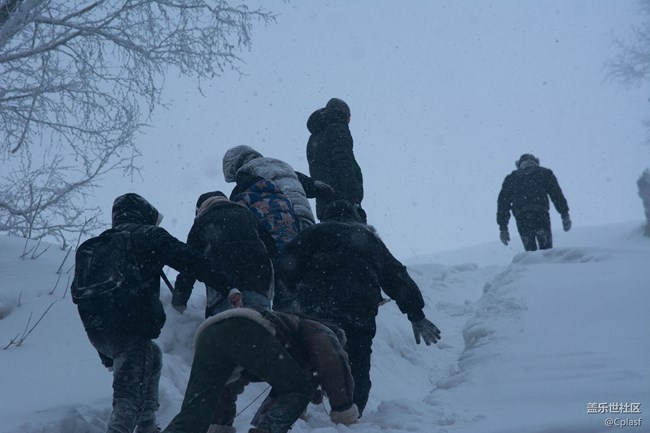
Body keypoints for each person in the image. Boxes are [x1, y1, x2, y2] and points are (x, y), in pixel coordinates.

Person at [71, 193, 234, 433]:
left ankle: (147, 427)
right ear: (144, 215)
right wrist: (226, 284)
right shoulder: (147, 236)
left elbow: (85, 298)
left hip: (98, 332)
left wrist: (105, 353)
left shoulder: (92, 247)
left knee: (152, 357)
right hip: (130, 325)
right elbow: (190, 260)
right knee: (128, 398)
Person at [276, 199, 441, 416]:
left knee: (305, 353)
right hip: (357, 309)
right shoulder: (368, 239)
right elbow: (396, 275)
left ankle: (294, 410)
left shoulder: (314, 232)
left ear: (327, 216)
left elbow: (285, 265)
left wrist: (300, 289)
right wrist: (416, 314)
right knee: (357, 361)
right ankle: (351, 416)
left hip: (313, 305)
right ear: (354, 217)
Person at [162, 307, 358, 433]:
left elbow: (229, 384)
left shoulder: (284, 347)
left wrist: (220, 422)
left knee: (195, 413)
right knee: (300, 389)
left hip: (209, 335)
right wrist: (343, 409)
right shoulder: (321, 330)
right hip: (247, 326)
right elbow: (333, 363)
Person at [172, 191, 274, 317]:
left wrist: (179, 300)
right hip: (258, 281)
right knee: (262, 325)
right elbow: (272, 247)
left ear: (200, 209)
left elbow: (190, 263)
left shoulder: (202, 221)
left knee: (228, 328)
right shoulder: (248, 215)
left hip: (223, 286)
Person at [222, 145, 334, 231]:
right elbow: (315, 186)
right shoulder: (284, 167)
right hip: (306, 216)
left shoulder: (247, 174)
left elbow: (237, 205)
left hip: (282, 220)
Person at [306, 98, 366, 222]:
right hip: (343, 201)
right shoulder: (338, 128)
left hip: (324, 202)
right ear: (344, 114)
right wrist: (353, 198)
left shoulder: (314, 137)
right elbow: (343, 162)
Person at [497, 153, 572, 251]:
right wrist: (564, 215)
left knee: (530, 253)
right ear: (536, 162)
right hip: (541, 214)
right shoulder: (545, 173)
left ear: (519, 164)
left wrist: (503, 228)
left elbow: (503, 204)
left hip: (522, 218)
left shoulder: (511, 178)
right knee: (546, 252)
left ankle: (532, 265)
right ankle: (548, 265)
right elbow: (557, 195)